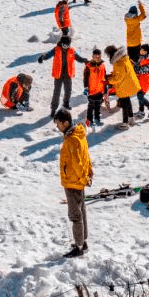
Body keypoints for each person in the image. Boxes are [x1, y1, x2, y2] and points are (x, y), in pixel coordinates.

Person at [56, 109, 93, 258]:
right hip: (77, 180)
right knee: (81, 210)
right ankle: (83, 241)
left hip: (73, 182)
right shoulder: (79, 134)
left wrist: (83, 178)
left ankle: (78, 247)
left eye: (58, 125)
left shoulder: (71, 139)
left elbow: (78, 164)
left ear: (65, 123)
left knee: (75, 214)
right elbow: (86, 156)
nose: (57, 128)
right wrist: (89, 172)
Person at [38, 35, 88, 116]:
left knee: (68, 90)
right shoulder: (56, 49)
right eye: (65, 45)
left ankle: (66, 103)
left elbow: (78, 57)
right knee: (57, 92)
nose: (66, 47)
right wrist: (43, 57)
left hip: (68, 74)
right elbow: (48, 54)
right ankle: (53, 108)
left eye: (68, 45)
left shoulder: (72, 50)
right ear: (61, 43)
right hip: (58, 74)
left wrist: (84, 60)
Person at [105, 44, 141, 128]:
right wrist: (111, 76)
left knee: (125, 104)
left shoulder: (118, 64)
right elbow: (121, 74)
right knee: (128, 101)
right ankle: (131, 118)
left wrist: (108, 81)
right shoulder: (124, 59)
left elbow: (117, 78)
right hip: (130, 84)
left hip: (125, 86)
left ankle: (125, 123)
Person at [83, 49, 107, 127]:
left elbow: (104, 77)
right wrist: (86, 87)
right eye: (95, 56)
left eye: (98, 56)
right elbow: (86, 78)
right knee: (91, 106)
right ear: (92, 56)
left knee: (98, 106)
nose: (97, 57)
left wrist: (105, 87)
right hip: (91, 90)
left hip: (100, 90)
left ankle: (97, 119)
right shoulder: (89, 66)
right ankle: (89, 121)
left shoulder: (102, 65)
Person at [134, 44, 149, 117]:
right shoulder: (142, 58)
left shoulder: (148, 63)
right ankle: (141, 112)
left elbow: (139, 70)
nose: (141, 51)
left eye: (144, 50)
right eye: (141, 49)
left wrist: (134, 66)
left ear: (147, 52)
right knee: (140, 97)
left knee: (140, 97)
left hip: (144, 83)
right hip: (140, 81)